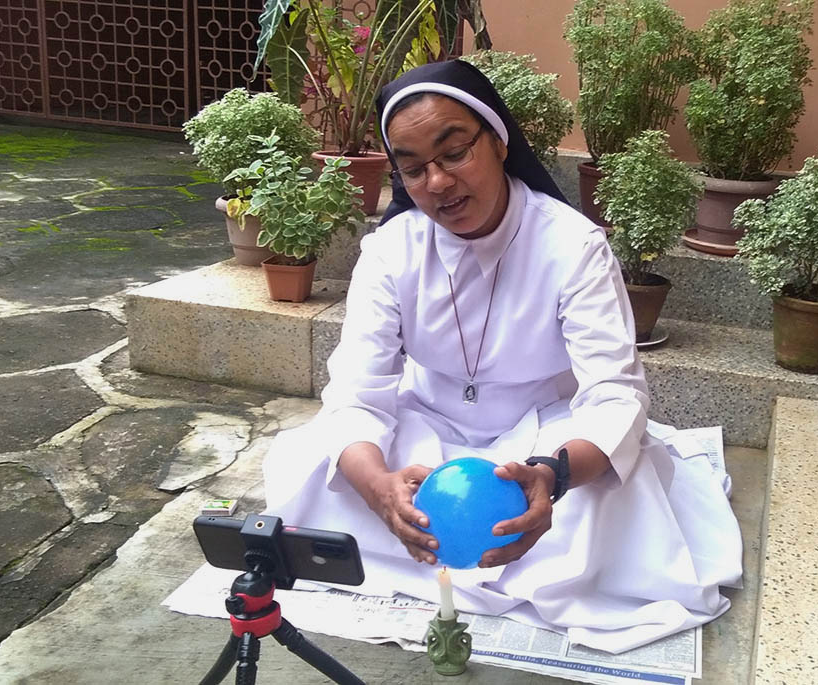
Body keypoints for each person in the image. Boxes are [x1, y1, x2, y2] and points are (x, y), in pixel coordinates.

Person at [262, 59, 742, 654]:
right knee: (320, 467)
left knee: (605, 505)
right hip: (427, 420)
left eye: (454, 151)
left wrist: (554, 475)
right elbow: (359, 390)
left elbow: (614, 395)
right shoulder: (391, 250)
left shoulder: (572, 245)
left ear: (498, 140)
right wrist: (381, 487)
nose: (436, 183)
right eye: (412, 168)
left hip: (544, 430)